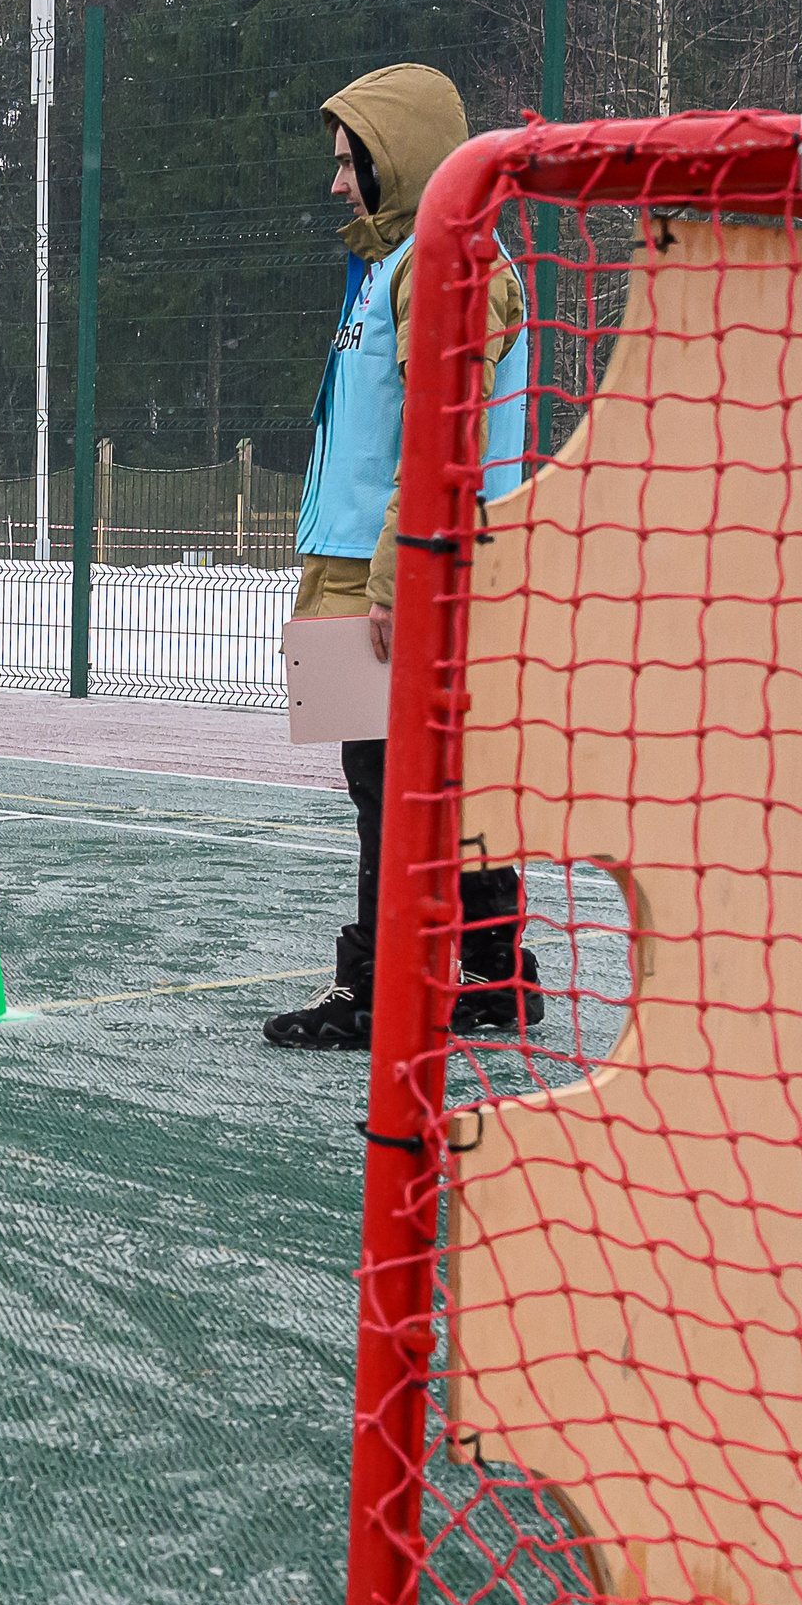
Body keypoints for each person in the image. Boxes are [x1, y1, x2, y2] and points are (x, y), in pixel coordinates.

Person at [263, 64, 538, 1050]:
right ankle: (495, 971)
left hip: (412, 565)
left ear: (400, 159)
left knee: (390, 776)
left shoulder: (446, 261)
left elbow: (441, 429)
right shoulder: (390, 263)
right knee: (424, 771)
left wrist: (391, 573)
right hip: (359, 561)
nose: (338, 183)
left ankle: (381, 989)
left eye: (351, 163)